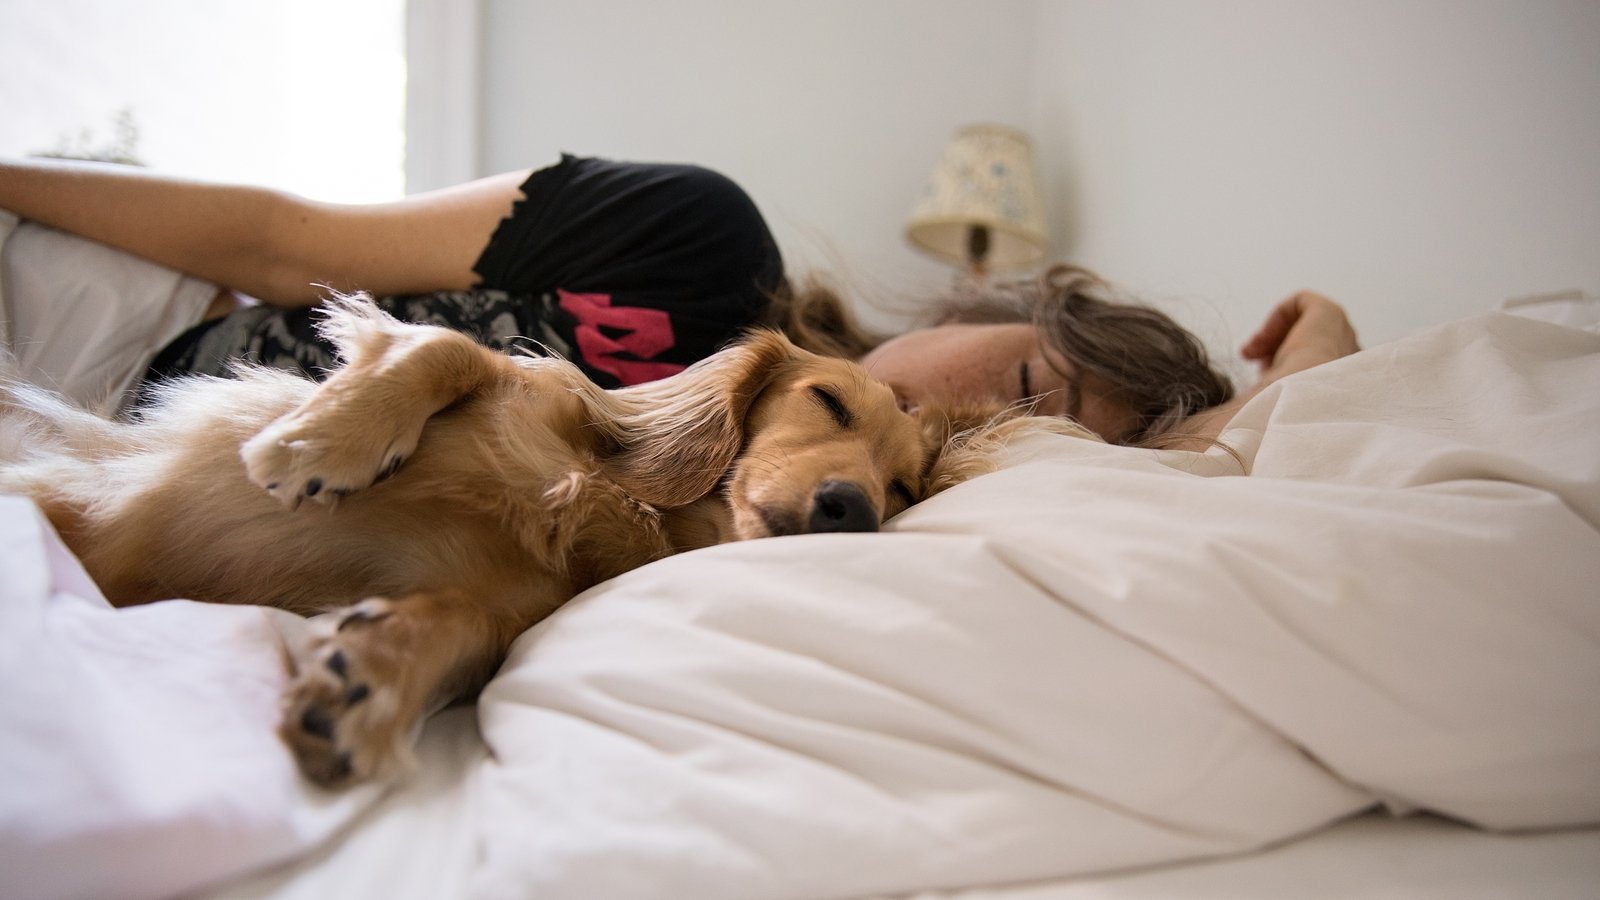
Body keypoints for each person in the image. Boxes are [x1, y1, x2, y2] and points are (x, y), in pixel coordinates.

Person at [0, 155, 1358, 446]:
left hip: (124, 460)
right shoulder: (695, 239)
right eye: (1016, 381)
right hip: (132, 321)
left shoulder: (812, 497)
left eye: (1036, 434)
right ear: (985, 304)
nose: (974, 418)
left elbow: (1210, 481)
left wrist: (1317, 369)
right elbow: (293, 240)